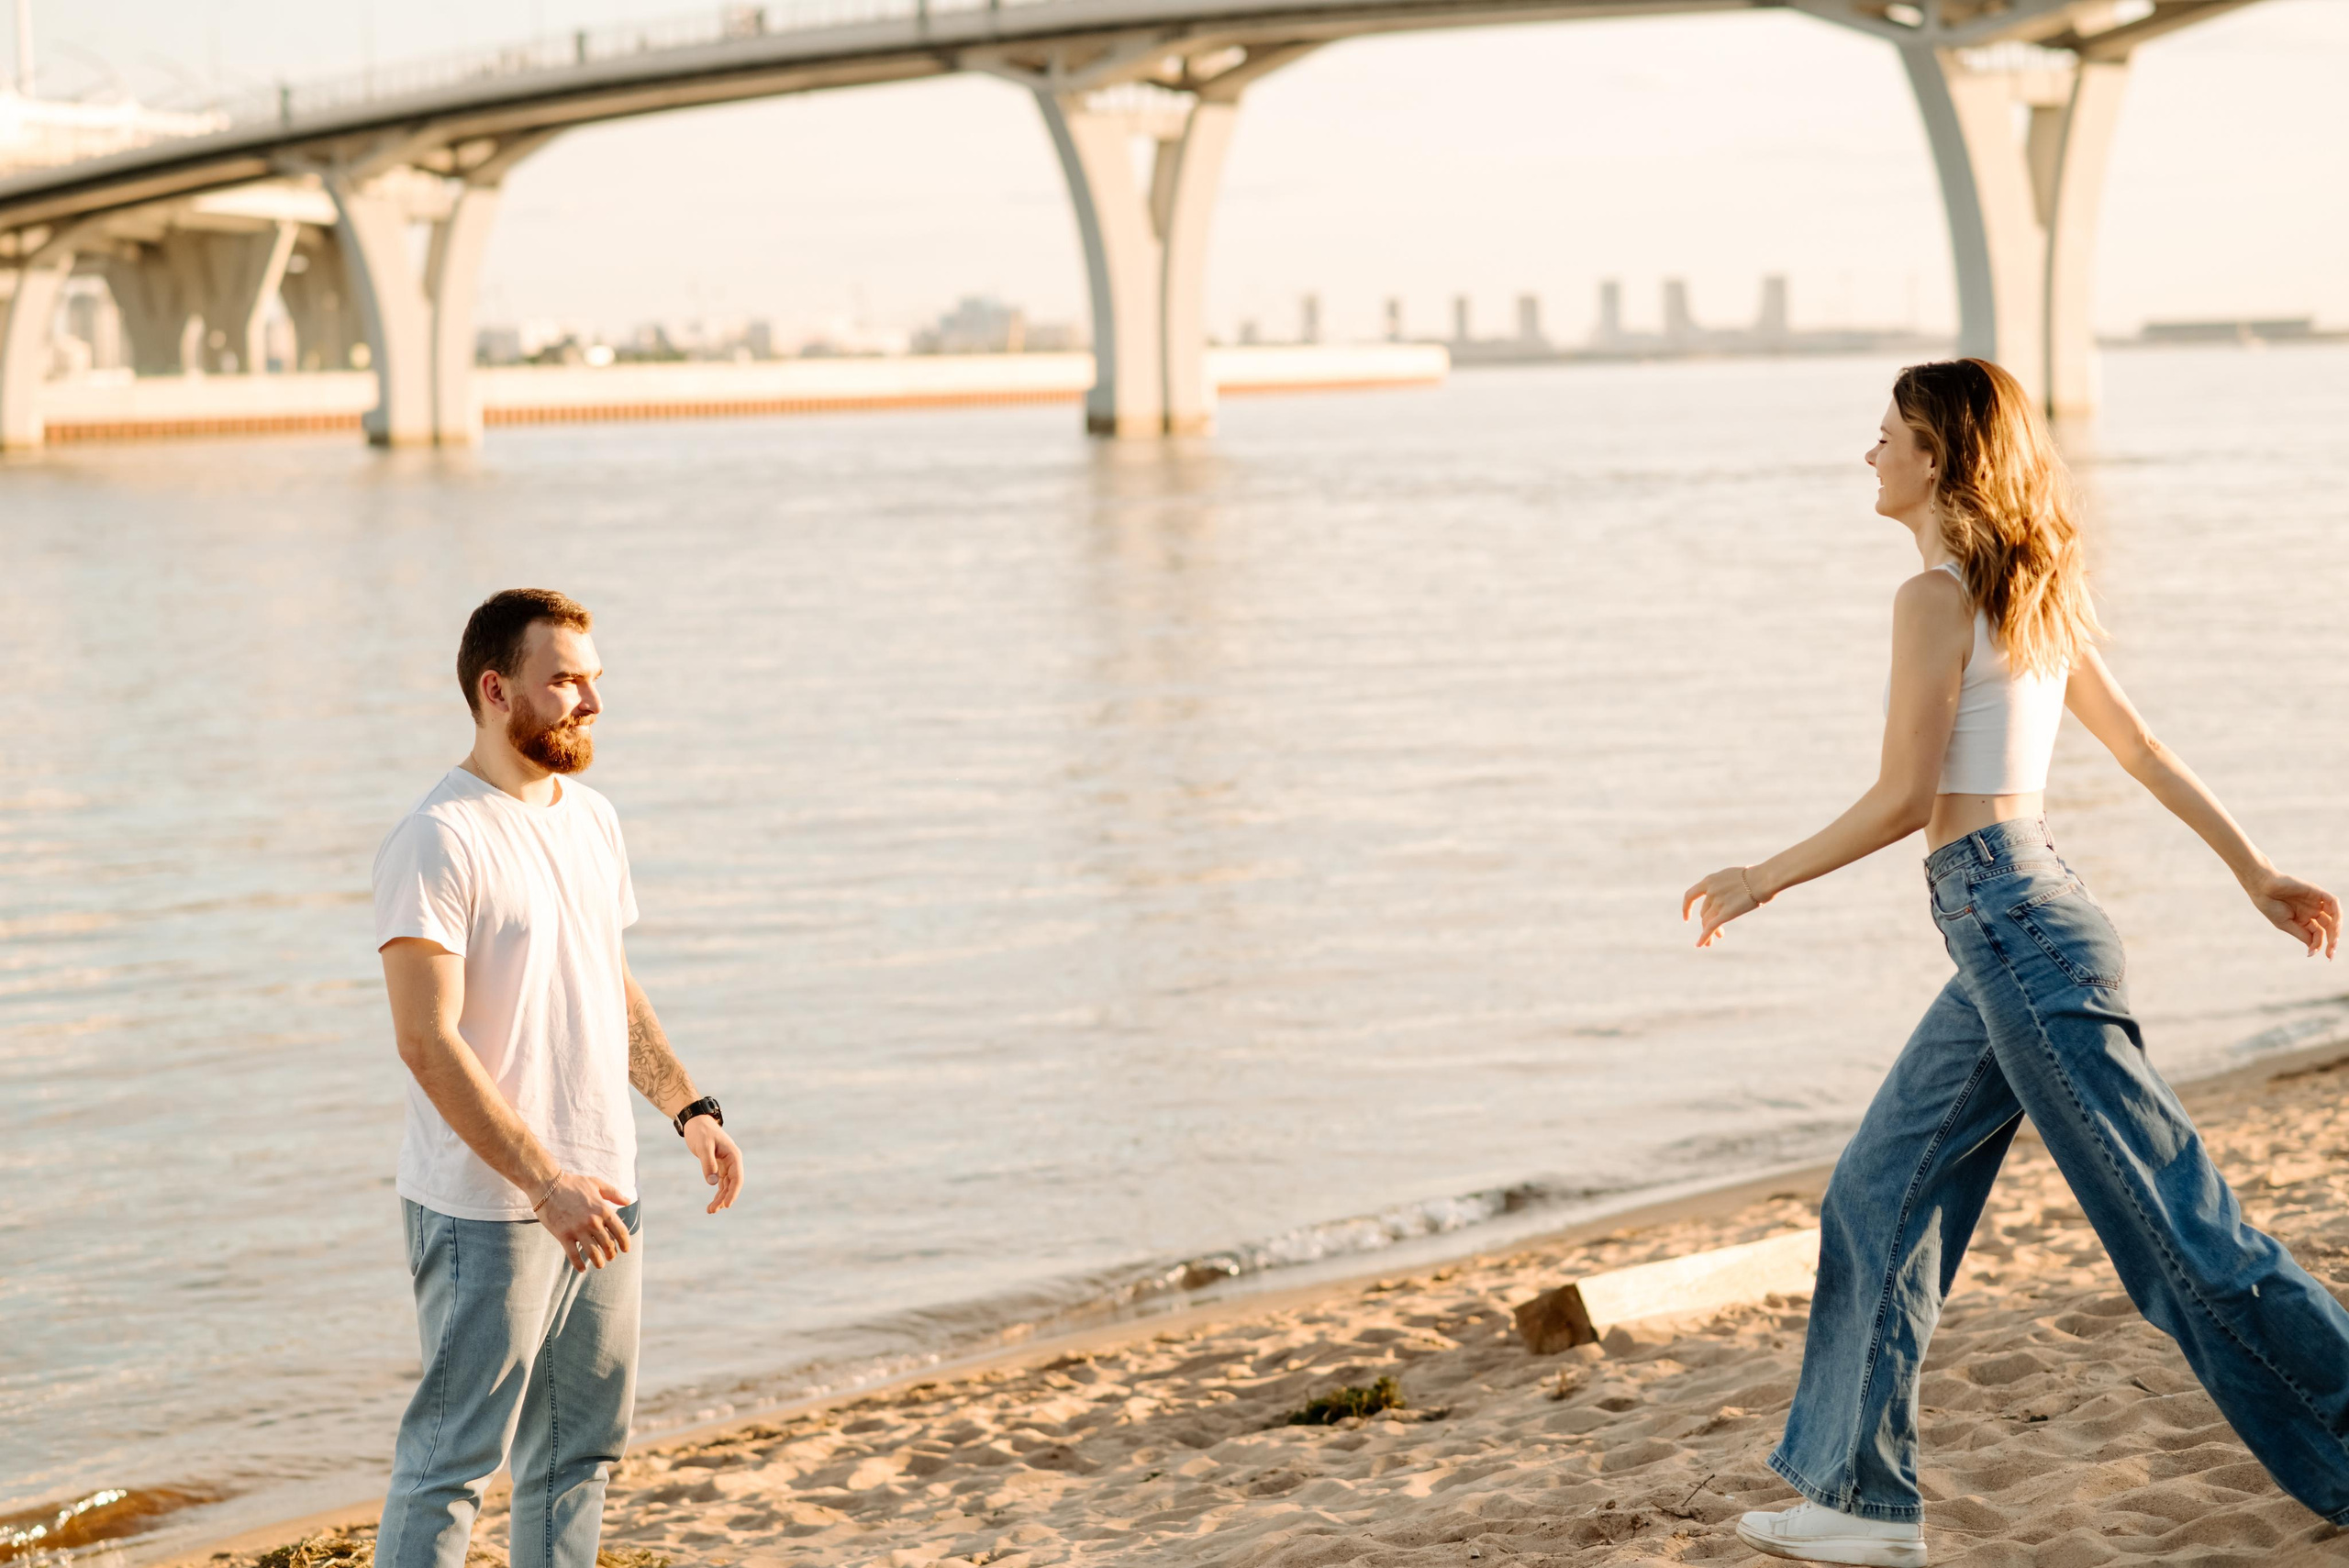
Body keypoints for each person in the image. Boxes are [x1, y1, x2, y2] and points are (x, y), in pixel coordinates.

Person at [1681, 360, 2347, 1567]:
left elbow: (1904, 798)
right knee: (1880, 1188)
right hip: (2026, 918)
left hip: (2012, 924)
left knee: (2178, 1231)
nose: (1867, 454)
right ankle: (1857, 1502)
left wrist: (1760, 875)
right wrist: (2249, 869)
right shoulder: (2031, 581)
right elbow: (2138, 746)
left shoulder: (1937, 597)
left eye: (1884, 436)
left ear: (1935, 459)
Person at [371, 588, 745, 1568]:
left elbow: (603, 982)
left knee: (578, 1453)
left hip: (606, 1189)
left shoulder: (591, 819)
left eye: (594, 680)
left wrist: (686, 1105)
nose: (591, 702)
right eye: (565, 680)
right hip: (488, 1209)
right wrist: (545, 1184)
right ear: (496, 690)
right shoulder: (438, 839)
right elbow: (426, 1040)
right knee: (451, 1461)